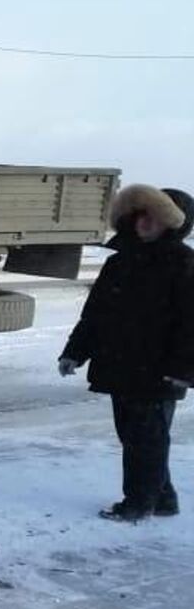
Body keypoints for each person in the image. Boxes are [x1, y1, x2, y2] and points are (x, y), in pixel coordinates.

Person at [59, 184, 194, 522]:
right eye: (141, 215)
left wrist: (183, 368)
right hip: (120, 365)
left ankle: (138, 503)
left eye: (155, 217)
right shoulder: (119, 263)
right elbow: (95, 315)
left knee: (145, 439)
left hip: (159, 370)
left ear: (173, 224)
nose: (145, 223)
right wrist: (74, 352)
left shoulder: (183, 264)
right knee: (136, 436)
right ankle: (162, 498)